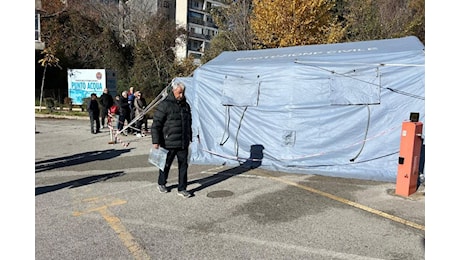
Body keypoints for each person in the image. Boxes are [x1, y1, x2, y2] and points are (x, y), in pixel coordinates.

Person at [151, 81, 192, 198]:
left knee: (183, 165)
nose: (182, 95)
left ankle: (182, 188)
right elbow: (156, 124)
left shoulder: (186, 105)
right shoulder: (165, 105)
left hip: (183, 141)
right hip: (168, 141)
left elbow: (188, 122)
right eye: (179, 93)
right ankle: (161, 183)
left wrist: (190, 136)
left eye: (183, 93)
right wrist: (156, 141)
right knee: (166, 164)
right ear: (173, 91)